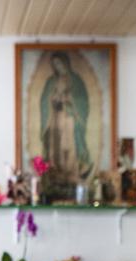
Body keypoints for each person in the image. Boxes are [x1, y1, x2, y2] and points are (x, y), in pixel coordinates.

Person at [40, 51, 92, 186]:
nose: (57, 67)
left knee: (68, 144)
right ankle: (57, 173)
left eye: (59, 63)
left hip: (69, 117)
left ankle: (71, 174)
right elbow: (44, 100)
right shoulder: (52, 81)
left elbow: (83, 101)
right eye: (54, 64)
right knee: (55, 144)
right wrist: (52, 99)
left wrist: (69, 100)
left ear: (66, 63)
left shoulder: (75, 80)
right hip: (55, 117)